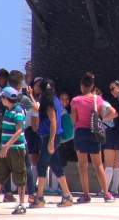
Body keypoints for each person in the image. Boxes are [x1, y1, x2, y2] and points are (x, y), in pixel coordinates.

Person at [0, 70, 38, 203]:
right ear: (20, 84)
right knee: (25, 168)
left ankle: (7, 194)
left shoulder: (4, 98)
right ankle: (31, 194)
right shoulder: (21, 98)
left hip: (3, 135)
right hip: (16, 142)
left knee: (5, 168)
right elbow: (36, 109)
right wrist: (30, 95)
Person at [71, 72, 115, 202]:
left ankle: (86, 195)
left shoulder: (75, 100)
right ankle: (106, 194)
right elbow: (101, 116)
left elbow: (74, 119)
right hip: (93, 133)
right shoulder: (98, 99)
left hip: (80, 132)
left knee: (82, 165)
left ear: (81, 86)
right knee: (98, 164)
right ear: (92, 86)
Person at [29, 78, 74, 208]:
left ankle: (40, 197)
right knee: (55, 166)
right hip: (52, 137)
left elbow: (53, 121)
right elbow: (37, 109)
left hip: (50, 137)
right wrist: (30, 96)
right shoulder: (54, 100)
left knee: (41, 165)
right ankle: (67, 195)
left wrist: (51, 141)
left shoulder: (48, 102)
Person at [94, 87, 119, 196]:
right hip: (113, 132)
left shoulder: (103, 103)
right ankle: (114, 189)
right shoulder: (103, 103)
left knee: (109, 163)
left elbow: (114, 113)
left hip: (108, 132)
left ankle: (104, 190)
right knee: (116, 164)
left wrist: (102, 119)